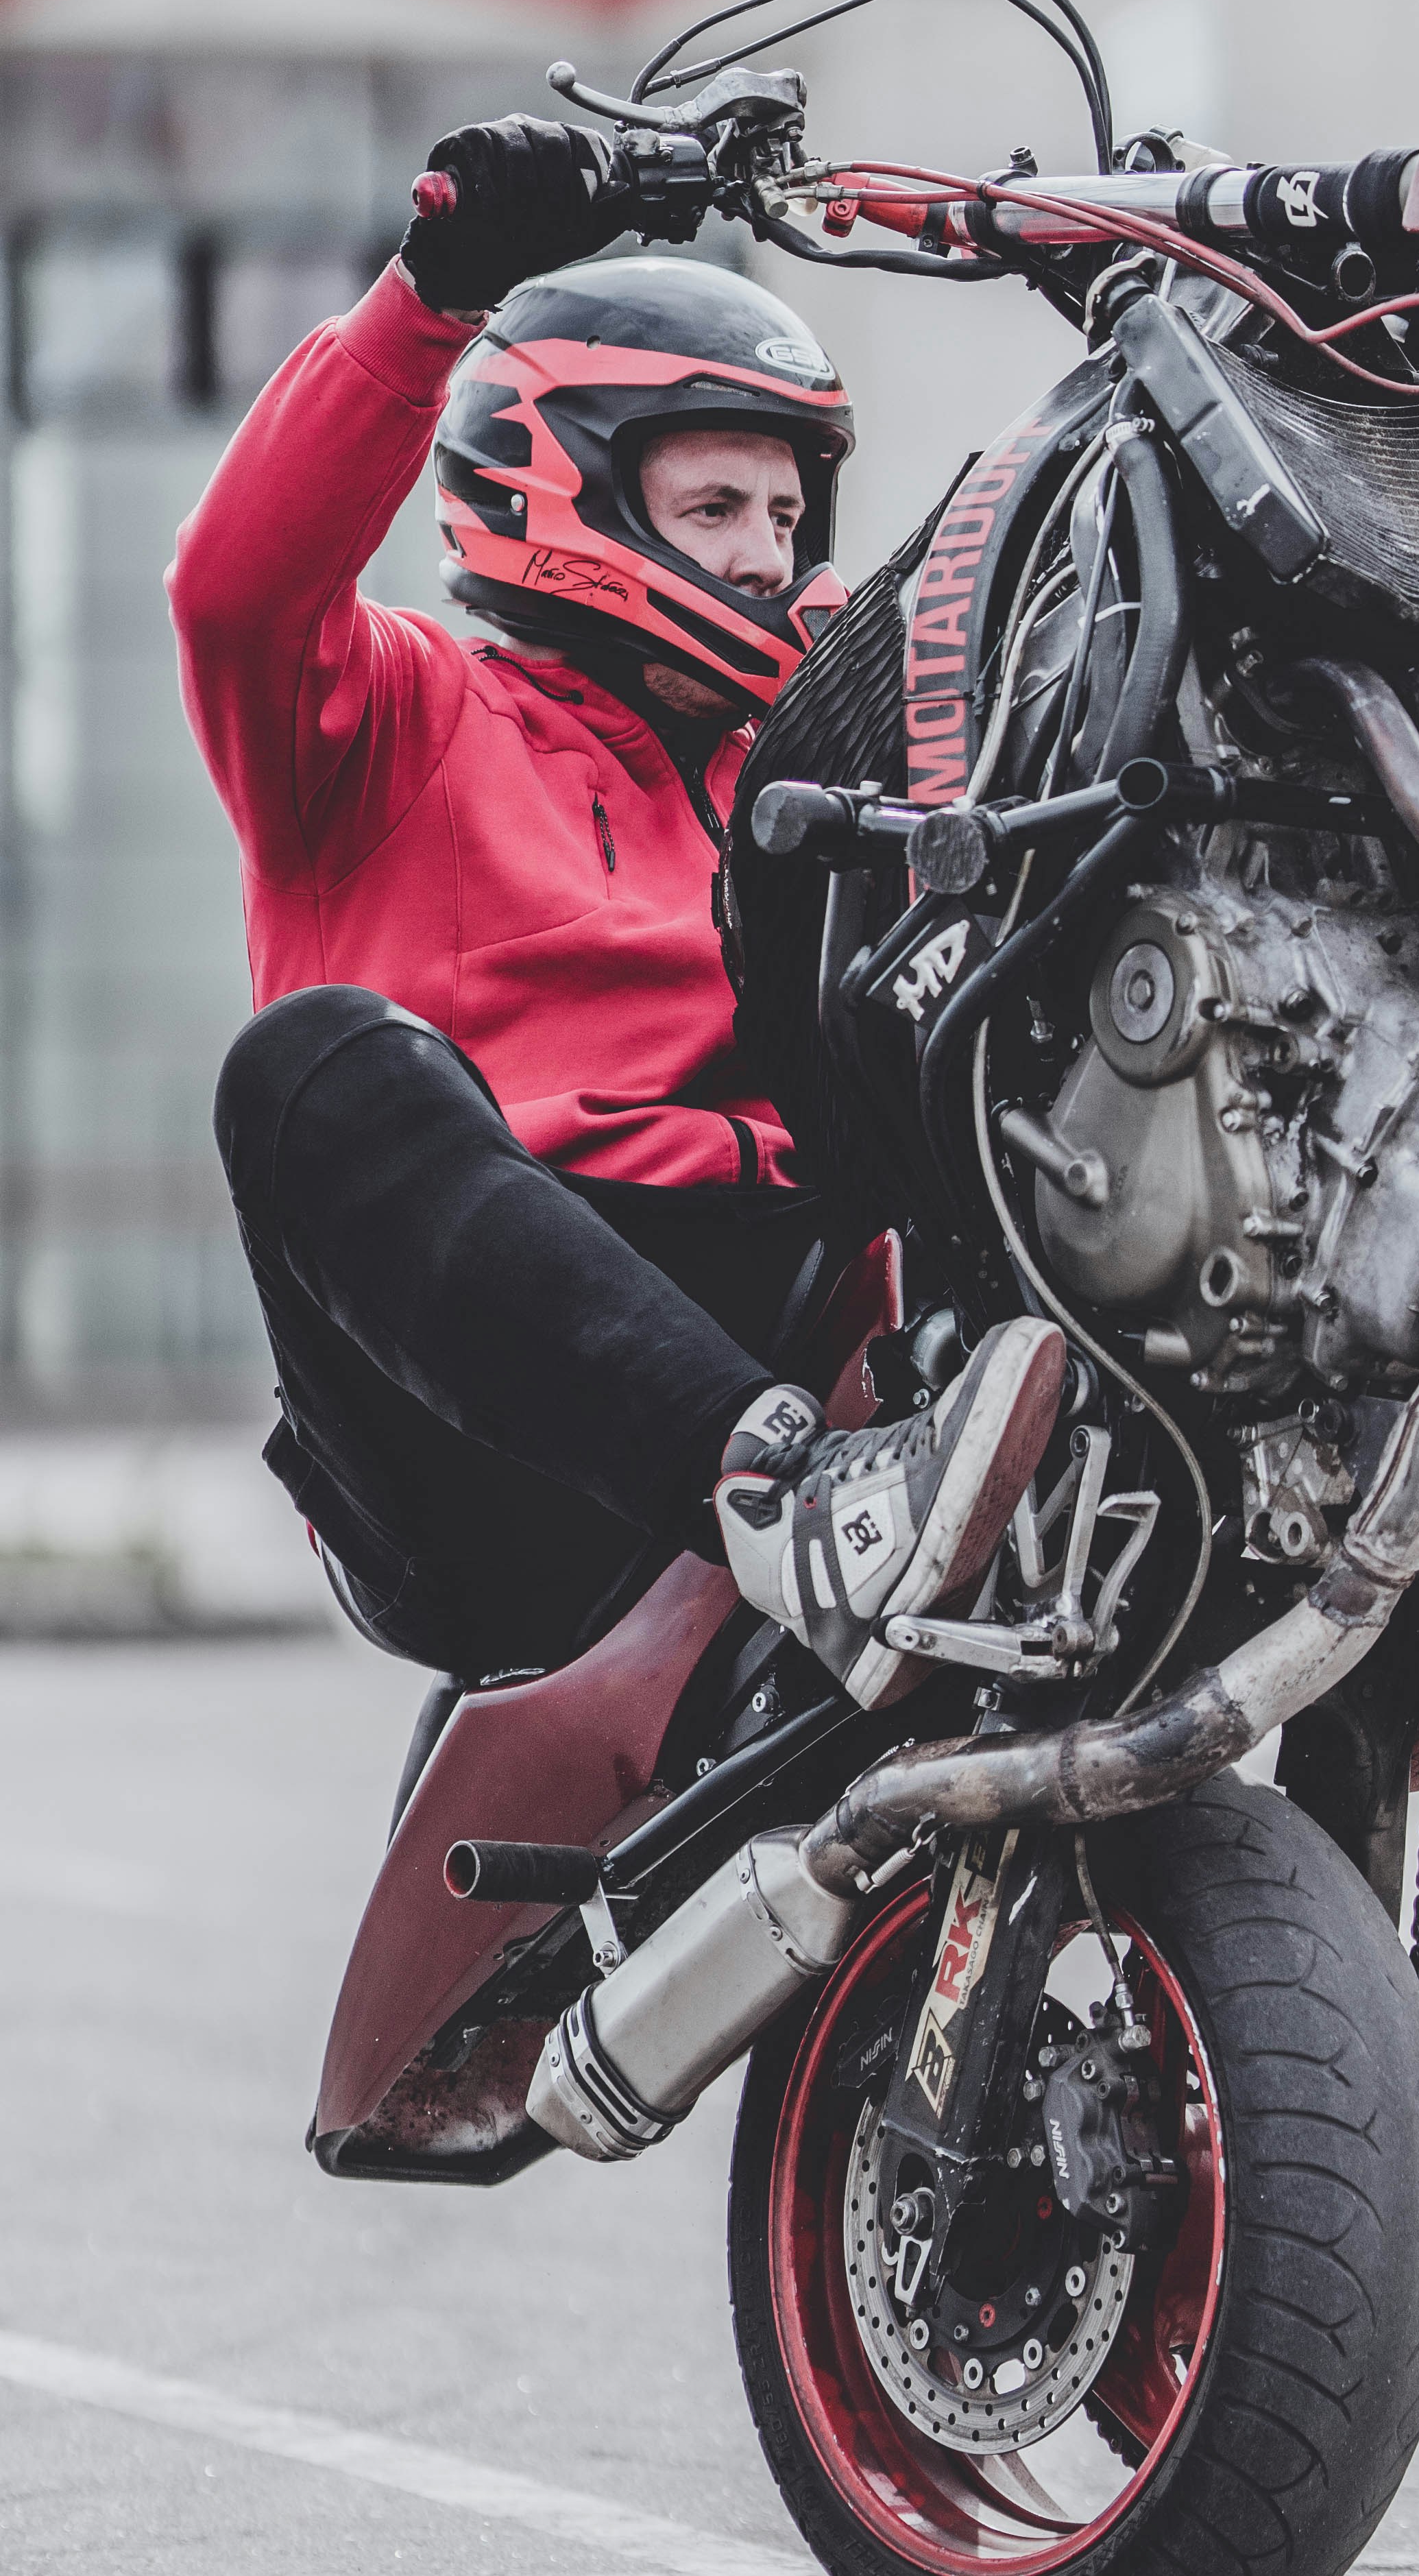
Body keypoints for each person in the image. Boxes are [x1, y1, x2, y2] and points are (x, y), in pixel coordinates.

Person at [170, 110, 1057, 1699]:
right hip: (490, 1420)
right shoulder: (394, 716)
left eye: (787, 521)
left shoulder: (815, 764)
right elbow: (237, 586)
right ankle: (783, 1491)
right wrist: (432, 296)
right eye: (715, 510)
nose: (766, 560)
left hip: (804, 1292)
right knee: (308, 1064)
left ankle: (1371, 1529)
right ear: (559, 491)